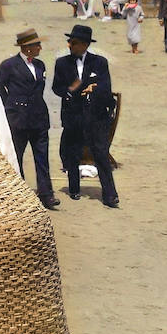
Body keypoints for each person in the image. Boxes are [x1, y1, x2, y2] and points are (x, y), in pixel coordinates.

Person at [52, 24, 120, 209]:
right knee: (72, 152)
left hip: (96, 116)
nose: (70, 46)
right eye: (69, 42)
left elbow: (105, 86)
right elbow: (57, 87)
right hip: (73, 114)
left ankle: (110, 194)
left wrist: (93, 89)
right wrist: (71, 91)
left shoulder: (100, 62)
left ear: (85, 44)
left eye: (74, 42)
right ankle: (74, 188)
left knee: (101, 154)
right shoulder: (62, 63)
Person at [0, 28, 58, 208]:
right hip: (18, 120)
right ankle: (18, 194)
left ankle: (46, 194)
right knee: (17, 157)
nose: (40, 48)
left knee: (42, 158)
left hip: (39, 118)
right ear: (27, 47)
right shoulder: (8, 65)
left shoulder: (40, 65)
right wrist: (12, 105)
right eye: (37, 45)